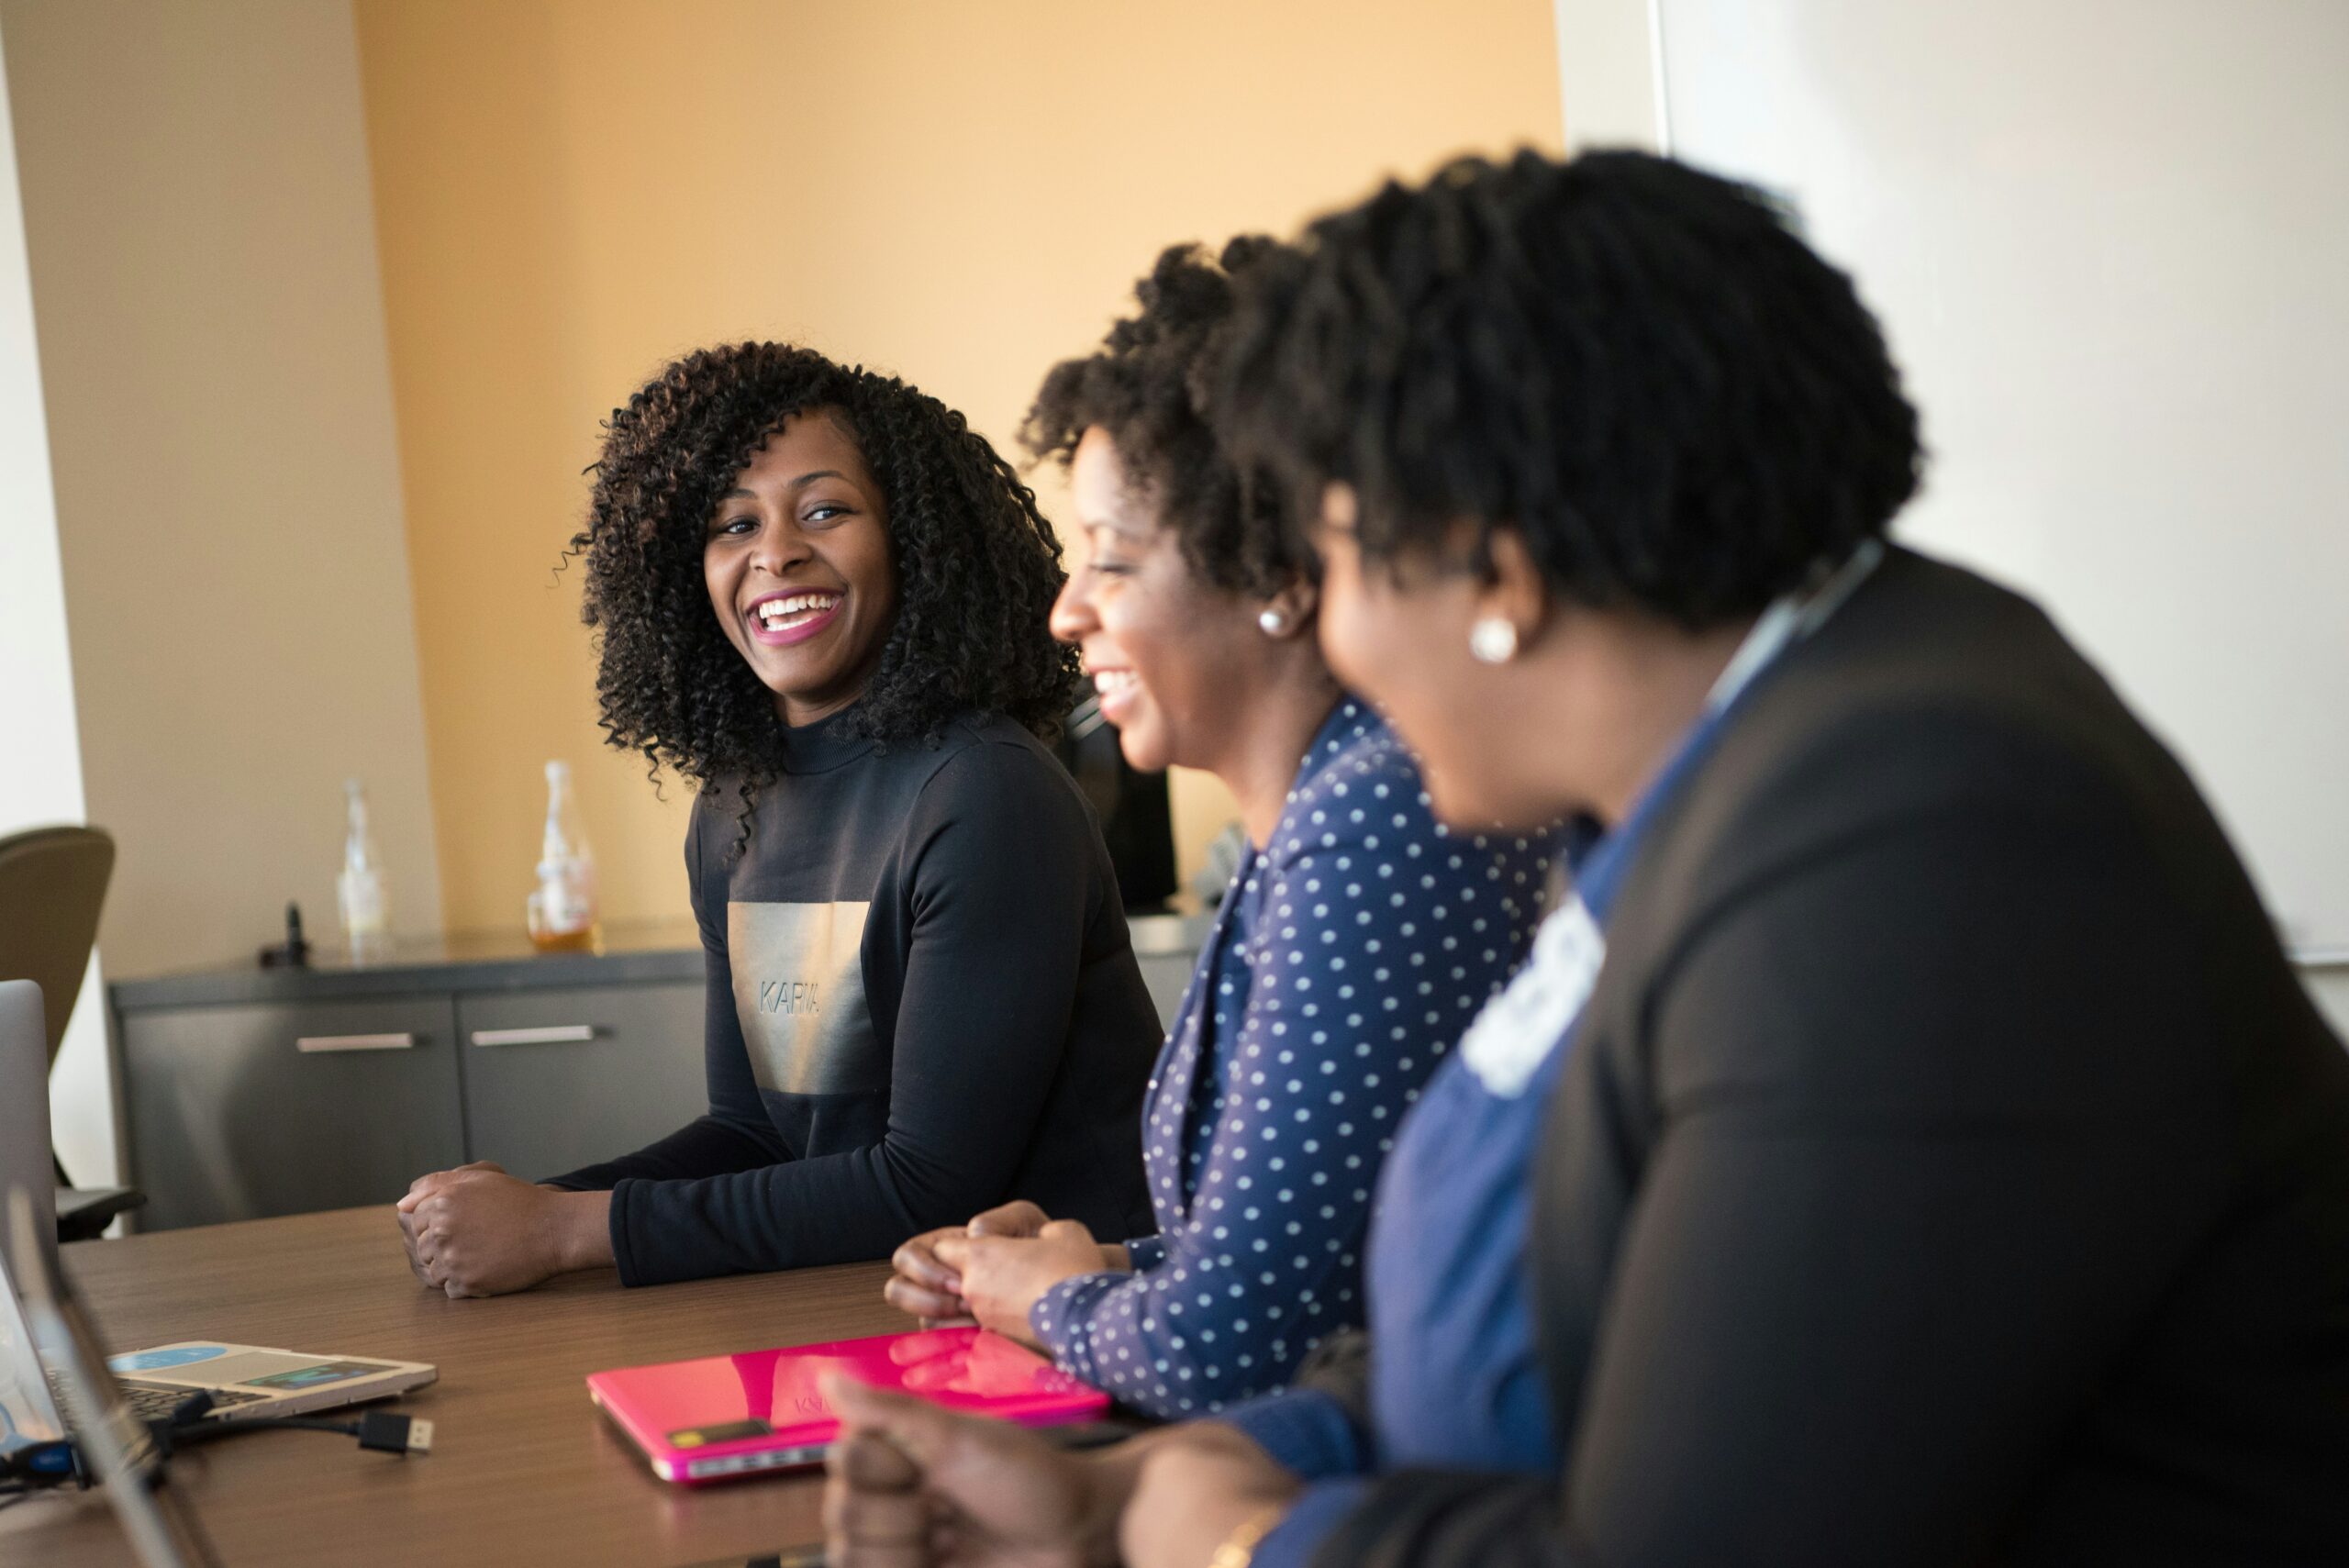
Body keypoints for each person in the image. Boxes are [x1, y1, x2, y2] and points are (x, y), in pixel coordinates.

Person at [818, 150, 2349, 1567]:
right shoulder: (1737, 768)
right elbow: (1539, 1308)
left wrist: (1246, 1539)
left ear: (1495, 568)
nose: (1335, 637)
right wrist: (1139, 1482)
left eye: (1338, 560)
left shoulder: (1919, 831)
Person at [880, 240, 1553, 1419]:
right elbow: (1311, 1263)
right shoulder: (1314, 816)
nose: (1066, 607)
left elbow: (1230, 1350)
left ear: (1278, 575)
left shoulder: (1373, 824)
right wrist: (1081, 1270)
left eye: (1112, 560)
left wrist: (1050, 1303)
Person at [396, 342, 1162, 1296]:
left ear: (914, 540)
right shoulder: (733, 805)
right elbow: (755, 1132)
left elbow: (925, 1181)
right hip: (855, 1298)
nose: (775, 551)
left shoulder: (984, 791)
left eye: (826, 509)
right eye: (732, 524)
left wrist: (563, 1228)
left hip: (1065, 1333)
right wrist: (527, 1206)